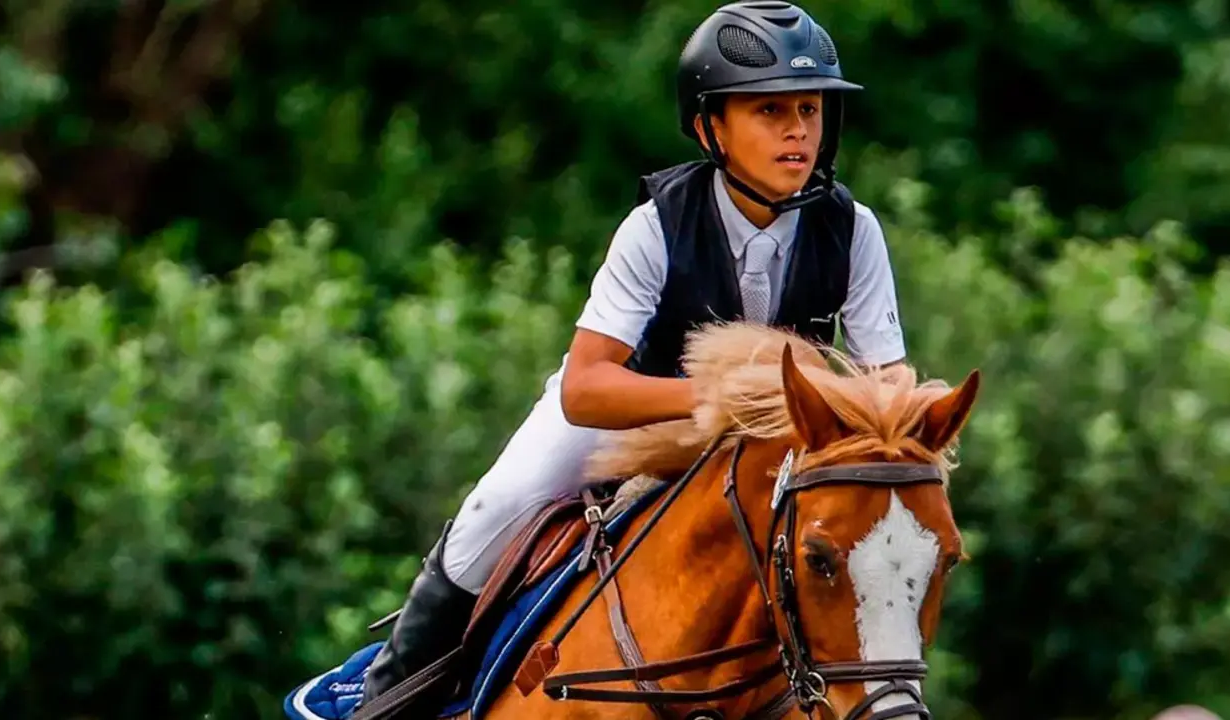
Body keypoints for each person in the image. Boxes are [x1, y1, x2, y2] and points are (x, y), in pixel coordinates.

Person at [360, 0, 908, 709]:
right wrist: (722, 402)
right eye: (769, 111)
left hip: (772, 449)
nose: (798, 130)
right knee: (492, 511)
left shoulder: (854, 230)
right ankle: (385, 698)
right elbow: (587, 390)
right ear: (713, 125)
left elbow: (885, 385)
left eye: (810, 109)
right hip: (627, 417)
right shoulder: (655, 226)